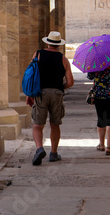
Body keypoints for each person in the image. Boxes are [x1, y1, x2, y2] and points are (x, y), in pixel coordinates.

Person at [26, 31, 74, 165]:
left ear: (47, 42)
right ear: (59, 45)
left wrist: (30, 94)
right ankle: (53, 153)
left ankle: (39, 148)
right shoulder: (63, 59)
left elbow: (31, 75)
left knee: (37, 124)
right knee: (55, 124)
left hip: (41, 92)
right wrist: (59, 87)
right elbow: (70, 82)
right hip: (57, 93)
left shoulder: (38, 54)